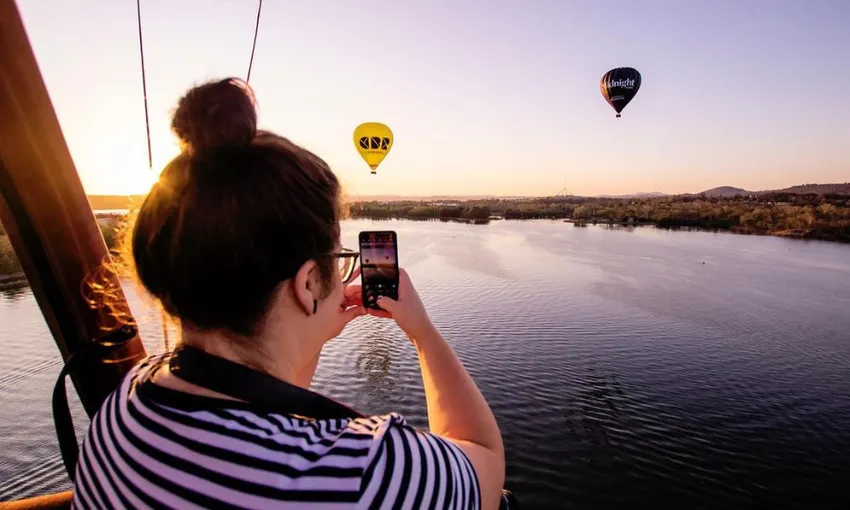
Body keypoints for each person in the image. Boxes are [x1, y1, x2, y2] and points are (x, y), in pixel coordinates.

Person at [71, 78, 505, 509]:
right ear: (308, 282)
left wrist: (308, 330)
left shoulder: (123, 406)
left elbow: (262, 397)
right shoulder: (366, 474)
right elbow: (481, 460)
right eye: (336, 256)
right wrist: (422, 333)